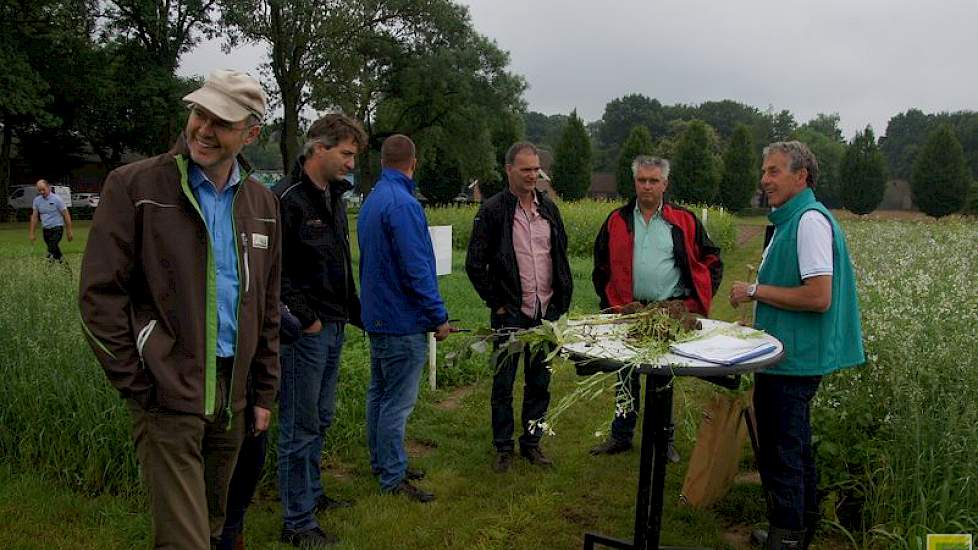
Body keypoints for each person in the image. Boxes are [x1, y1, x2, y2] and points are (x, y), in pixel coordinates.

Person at [79, 69, 281, 550]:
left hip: (233, 396)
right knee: (184, 540)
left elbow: (268, 305)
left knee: (212, 527)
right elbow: (98, 296)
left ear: (251, 133)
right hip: (166, 392)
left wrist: (264, 392)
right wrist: (139, 380)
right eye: (199, 113)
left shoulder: (263, 202)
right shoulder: (134, 185)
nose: (203, 130)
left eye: (221, 122)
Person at [729, 141, 864, 550]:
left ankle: (786, 539)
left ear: (801, 176)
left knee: (782, 451)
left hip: (795, 360)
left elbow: (818, 296)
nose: (764, 179)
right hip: (788, 356)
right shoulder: (793, 219)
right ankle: (797, 529)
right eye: (764, 171)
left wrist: (755, 291)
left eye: (773, 171)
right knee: (794, 445)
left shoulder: (808, 222)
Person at [271, 114, 367, 547]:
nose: (351, 163)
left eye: (353, 155)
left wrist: (354, 311)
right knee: (299, 424)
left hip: (334, 324)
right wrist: (306, 319)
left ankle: (312, 494)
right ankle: (297, 521)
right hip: (304, 333)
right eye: (346, 154)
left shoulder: (334, 197)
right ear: (318, 148)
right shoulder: (286, 200)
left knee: (321, 418)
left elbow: (340, 263)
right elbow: (278, 272)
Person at [590, 155, 723, 456]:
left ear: (665, 183)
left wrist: (694, 300)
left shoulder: (685, 221)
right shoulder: (616, 220)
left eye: (653, 181)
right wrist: (611, 302)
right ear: (634, 182)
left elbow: (712, 260)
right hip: (630, 309)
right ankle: (621, 435)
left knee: (664, 377)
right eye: (642, 180)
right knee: (625, 373)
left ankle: (664, 442)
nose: (647, 186)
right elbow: (601, 267)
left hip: (667, 312)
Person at [465, 141, 573, 473]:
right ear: (508, 169)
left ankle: (531, 442)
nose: (531, 176)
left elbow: (560, 255)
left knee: (539, 381)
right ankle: (503, 447)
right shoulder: (494, 211)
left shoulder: (549, 209)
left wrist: (560, 301)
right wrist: (496, 302)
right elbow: (474, 263)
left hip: (545, 313)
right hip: (510, 313)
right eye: (525, 169)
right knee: (504, 382)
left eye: (535, 169)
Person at [358, 134, 451, 503]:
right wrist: (437, 316)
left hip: (378, 317)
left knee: (379, 395)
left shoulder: (373, 200)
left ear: (383, 162)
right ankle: (393, 477)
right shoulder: (404, 204)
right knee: (397, 402)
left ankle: (383, 462)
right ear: (414, 162)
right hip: (402, 321)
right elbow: (417, 268)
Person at [29, 179, 73, 262]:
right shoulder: (37, 201)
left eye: (43, 189)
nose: (42, 192)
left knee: (51, 247)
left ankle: (48, 264)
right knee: (55, 250)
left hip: (57, 228)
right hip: (46, 230)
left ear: (48, 187)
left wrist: (69, 231)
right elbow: (34, 217)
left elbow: (66, 215)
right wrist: (32, 233)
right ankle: (64, 266)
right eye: (39, 190)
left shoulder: (57, 199)